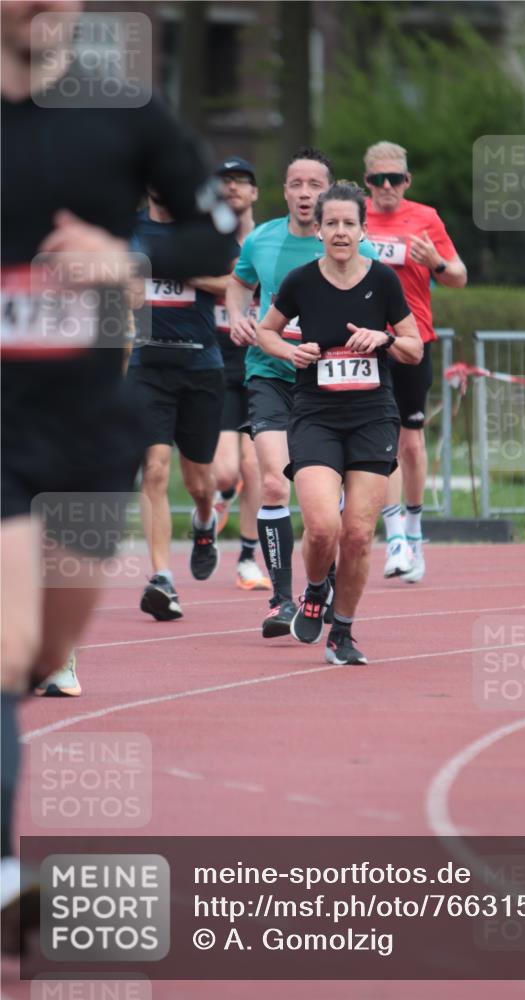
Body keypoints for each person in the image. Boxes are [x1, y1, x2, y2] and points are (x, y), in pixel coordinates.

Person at [0, 0, 236, 923]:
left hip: (87, 431)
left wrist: (127, 254)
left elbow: (214, 235)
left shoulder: (122, 110)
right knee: (7, 646)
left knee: (46, 651)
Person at [256, 182, 422, 664]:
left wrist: (384, 339)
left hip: (373, 416)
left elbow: (413, 348)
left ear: (363, 230)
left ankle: (343, 633)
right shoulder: (301, 282)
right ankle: (312, 591)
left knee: (357, 534)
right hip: (315, 416)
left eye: (350, 224)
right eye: (332, 224)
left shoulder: (384, 282)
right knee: (324, 526)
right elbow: (266, 333)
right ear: (319, 230)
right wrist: (293, 350)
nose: (341, 232)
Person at [227, 148, 377, 637]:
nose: (306, 193)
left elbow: (380, 303)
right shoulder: (262, 239)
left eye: (315, 184)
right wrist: (237, 315)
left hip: (330, 384)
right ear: (285, 190)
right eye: (296, 183)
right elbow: (238, 282)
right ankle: (280, 600)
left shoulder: (355, 244)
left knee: (328, 508)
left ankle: (324, 578)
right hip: (269, 372)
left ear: (329, 190)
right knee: (273, 483)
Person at [363, 141, 467, 582]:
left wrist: (437, 262)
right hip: (366, 343)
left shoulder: (426, 219)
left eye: (395, 179)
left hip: (412, 341)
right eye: (377, 179)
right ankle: (395, 540)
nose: (386, 187)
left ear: (407, 181)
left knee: (409, 442)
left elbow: (459, 277)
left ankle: (415, 529)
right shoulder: (353, 215)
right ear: (366, 181)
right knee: (380, 442)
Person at [128, 191, 226, 621]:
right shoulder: (128, 228)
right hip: (147, 363)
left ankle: (205, 522)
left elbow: (235, 283)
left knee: (199, 481)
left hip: (201, 364)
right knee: (154, 469)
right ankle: (162, 577)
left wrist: (189, 274)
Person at [210, 157, 270, 591]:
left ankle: (248, 557)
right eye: (225, 181)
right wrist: (231, 282)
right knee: (225, 472)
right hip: (213, 360)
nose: (233, 187)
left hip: (258, 362)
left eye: (241, 181)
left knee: (256, 465)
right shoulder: (206, 238)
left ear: (254, 193)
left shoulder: (270, 241)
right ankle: (222, 496)